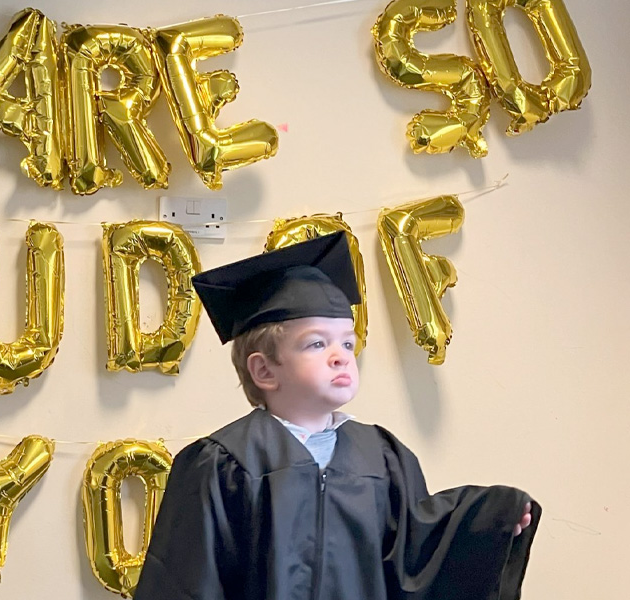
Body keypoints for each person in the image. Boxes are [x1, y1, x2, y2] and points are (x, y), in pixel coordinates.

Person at [133, 231, 537, 600]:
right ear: (264, 371)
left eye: (347, 341)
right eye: (315, 344)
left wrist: (486, 520)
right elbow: (185, 582)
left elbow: (416, 557)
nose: (340, 355)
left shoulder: (382, 457)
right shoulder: (222, 463)